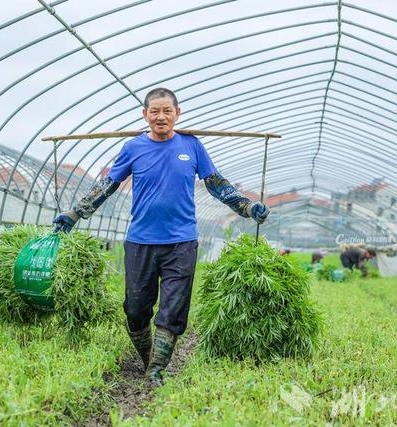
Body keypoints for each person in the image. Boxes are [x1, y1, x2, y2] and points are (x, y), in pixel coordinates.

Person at [52, 88, 269, 386]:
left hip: (181, 242)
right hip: (140, 241)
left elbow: (216, 184)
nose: (161, 116)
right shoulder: (133, 148)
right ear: (145, 115)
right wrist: (75, 214)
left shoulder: (191, 146)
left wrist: (246, 206)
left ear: (177, 113)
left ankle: (156, 369)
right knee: (135, 307)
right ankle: (147, 356)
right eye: (155, 111)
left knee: (173, 308)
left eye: (167, 110)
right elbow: (107, 185)